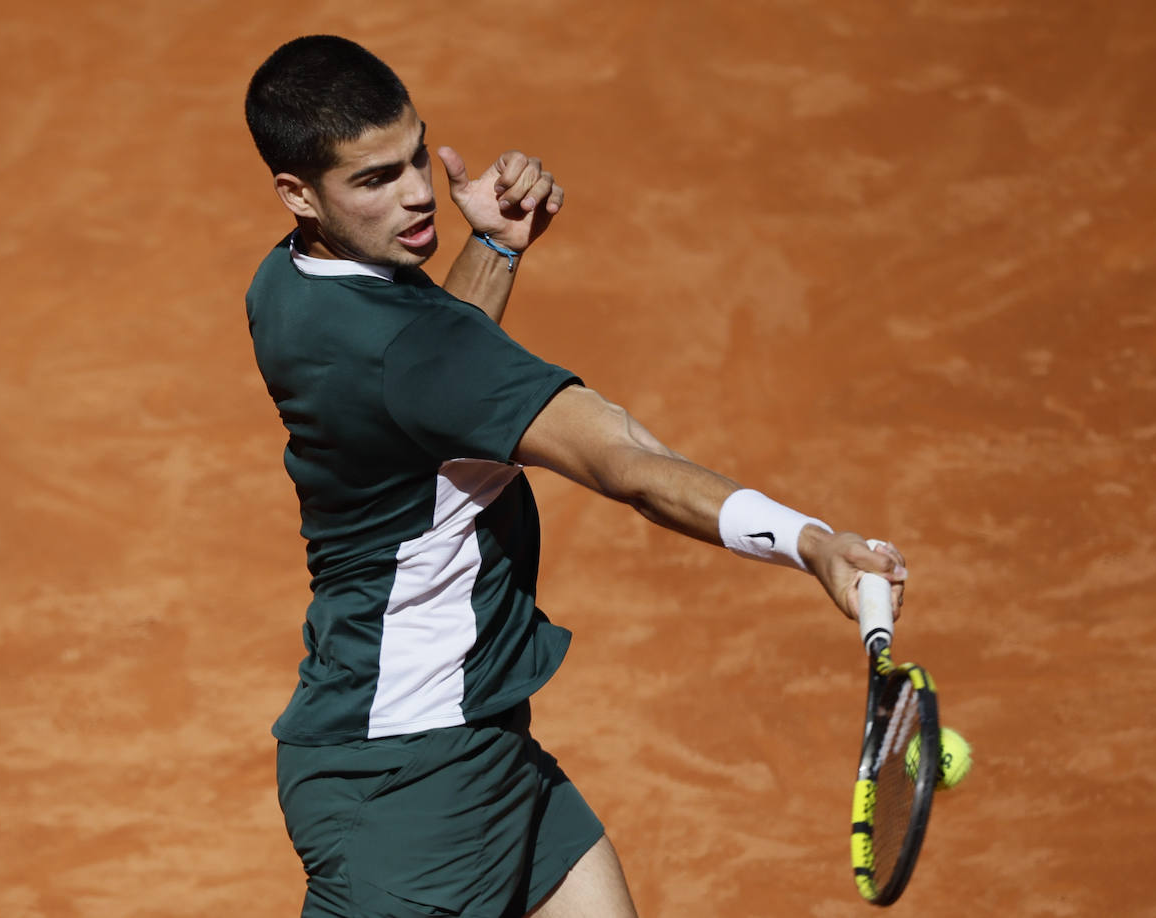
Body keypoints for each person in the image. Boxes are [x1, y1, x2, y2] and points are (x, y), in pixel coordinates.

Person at [243, 34, 908, 918]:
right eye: (373, 180)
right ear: (299, 190)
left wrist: (494, 249)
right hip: (408, 794)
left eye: (415, 157)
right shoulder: (416, 351)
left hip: (465, 740)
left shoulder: (286, 286)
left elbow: (434, 389)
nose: (415, 194)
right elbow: (628, 463)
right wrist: (812, 543)